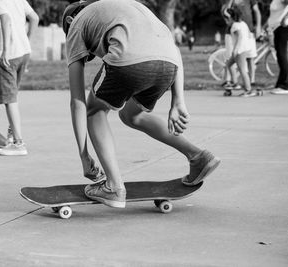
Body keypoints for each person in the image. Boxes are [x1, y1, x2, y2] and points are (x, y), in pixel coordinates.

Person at [63, 0, 221, 208]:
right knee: (132, 115)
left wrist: (84, 156)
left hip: (131, 59)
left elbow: (77, 101)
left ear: (69, 20)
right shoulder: (128, 8)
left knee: (94, 110)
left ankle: (113, 187)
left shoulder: (76, 23)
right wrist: (178, 101)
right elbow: (171, 47)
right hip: (168, 65)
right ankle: (197, 156)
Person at [0, 0, 39, 156]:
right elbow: (35, 18)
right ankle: (11, 135)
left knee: (9, 99)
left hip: (9, 56)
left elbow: (6, 18)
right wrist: (26, 41)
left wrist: (6, 50)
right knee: (13, 96)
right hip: (23, 52)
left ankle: (18, 144)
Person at [222, 0, 261, 90]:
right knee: (228, 64)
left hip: (239, 51)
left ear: (231, 18)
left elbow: (239, 37)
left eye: (227, 20)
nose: (226, 22)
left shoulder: (235, 26)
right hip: (242, 50)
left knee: (242, 70)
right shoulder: (243, 24)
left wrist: (236, 49)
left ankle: (248, 89)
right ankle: (234, 82)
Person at [267, 0, 288, 95]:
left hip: (283, 28)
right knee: (280, 57)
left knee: (282, 56)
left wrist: (286, 17)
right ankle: (279, 85)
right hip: (276, 29)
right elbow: (273, 16)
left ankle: (284, 86)